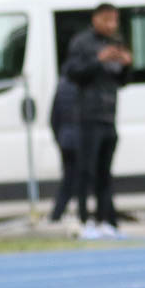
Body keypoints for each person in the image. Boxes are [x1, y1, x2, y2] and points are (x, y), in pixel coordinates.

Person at [64, 4, 131, 240]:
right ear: (96, 19)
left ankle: (106, 221)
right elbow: (72, 72)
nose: (112, 25)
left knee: (105, 173)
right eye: (107, 20)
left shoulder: (117, 42)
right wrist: (98, 59)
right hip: (88, 116)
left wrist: (126, 64)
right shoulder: (82, 43)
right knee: (86, 171)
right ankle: (84, 220)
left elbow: (122, 81)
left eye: (115, 20)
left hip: (109, 115)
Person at [46, 65, 79, 225]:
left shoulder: (61, 86)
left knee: (68, 178)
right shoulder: (83, 86)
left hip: (65, 139)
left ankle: (57, 213)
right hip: (81, 139)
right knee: (81, 179)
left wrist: (59, 138)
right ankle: (82, 215)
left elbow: (53, 118)